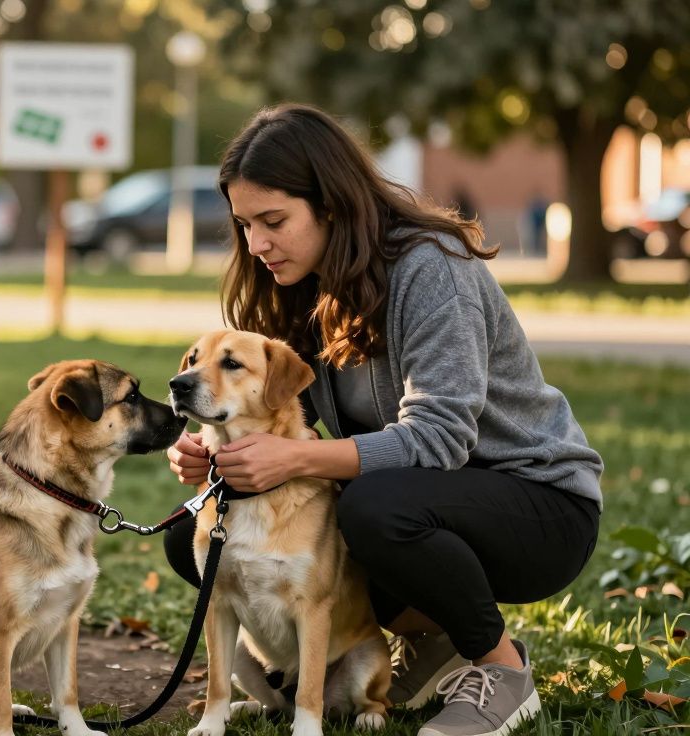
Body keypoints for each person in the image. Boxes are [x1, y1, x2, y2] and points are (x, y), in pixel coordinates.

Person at [163, 104, 602, 736]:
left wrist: (293, 460)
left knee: (373, 506)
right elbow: (283, 414)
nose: (256, 243)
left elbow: (441, 437)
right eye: (245, 225)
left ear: (332, 206)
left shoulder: (431, 266)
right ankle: (431, 642)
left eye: (274, 221)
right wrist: (219, 453)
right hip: (425, 498)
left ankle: (503, 672)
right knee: (197, 536)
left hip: (537, 504)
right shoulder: (302, 281)